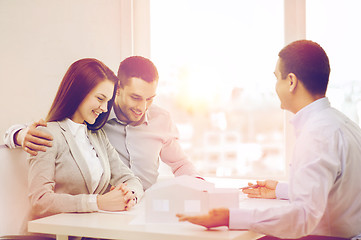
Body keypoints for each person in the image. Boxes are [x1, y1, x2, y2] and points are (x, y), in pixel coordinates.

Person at [176, 40, 361, 240]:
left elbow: (303, 217)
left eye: (277, 78)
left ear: (291, 81)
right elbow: (329, 191)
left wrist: (229, 217)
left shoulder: (317, 134)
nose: (275, 87)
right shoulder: (342, 123)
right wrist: (279, 189)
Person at [4, 56, 199, 190]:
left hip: (146, 208)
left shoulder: (161, 119)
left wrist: (199, 186)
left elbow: (180, 163)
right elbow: (54, 125)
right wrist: (20, 135)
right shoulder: (95, 116)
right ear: (118, 88)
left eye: (150, 98)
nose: (143, 107)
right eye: (136, 97)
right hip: (106, 211)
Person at [27, 58, 143, 221]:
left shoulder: (98, 136)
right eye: (100, 98)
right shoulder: (47, 134)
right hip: (50, 235)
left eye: (108, 102)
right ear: (79, 92)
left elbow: (130, 179)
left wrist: (129, 196)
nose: (104, 109)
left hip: (86, 232)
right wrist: (98, 202)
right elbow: (40, 201)